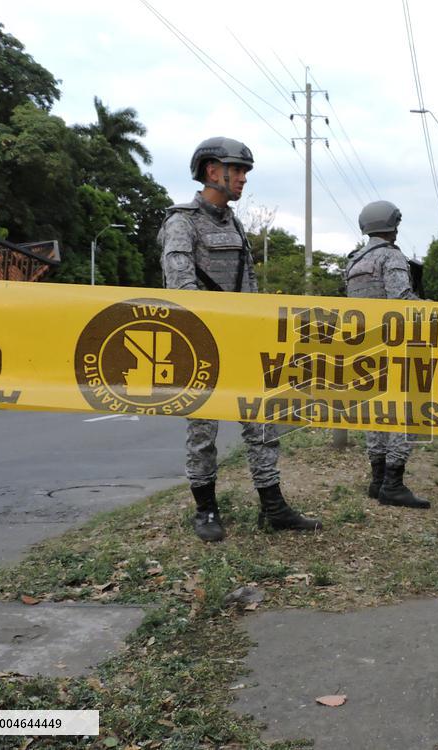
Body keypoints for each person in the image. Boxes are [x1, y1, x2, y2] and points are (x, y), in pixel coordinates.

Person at [158, 136, 321, 542]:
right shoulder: (181, 222)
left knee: (263, 425)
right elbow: (180, 288)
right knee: (202, 434)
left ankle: (273, 506)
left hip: (243, 343)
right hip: (200, 346)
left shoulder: (234, 222)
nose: (244, 178)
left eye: (246, 171)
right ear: (214, 170)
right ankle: (207, 510)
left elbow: (247, 285)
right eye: (239, 169)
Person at [344, 200, 429, 510]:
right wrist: (430, 307)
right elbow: (402, 300)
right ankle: (393, 482)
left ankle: (377, 479)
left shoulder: (353, 262)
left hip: (366, 346)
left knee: (376, 414)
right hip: (396, 345)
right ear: (392, 225)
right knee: (412, 412)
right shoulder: (391, 257)